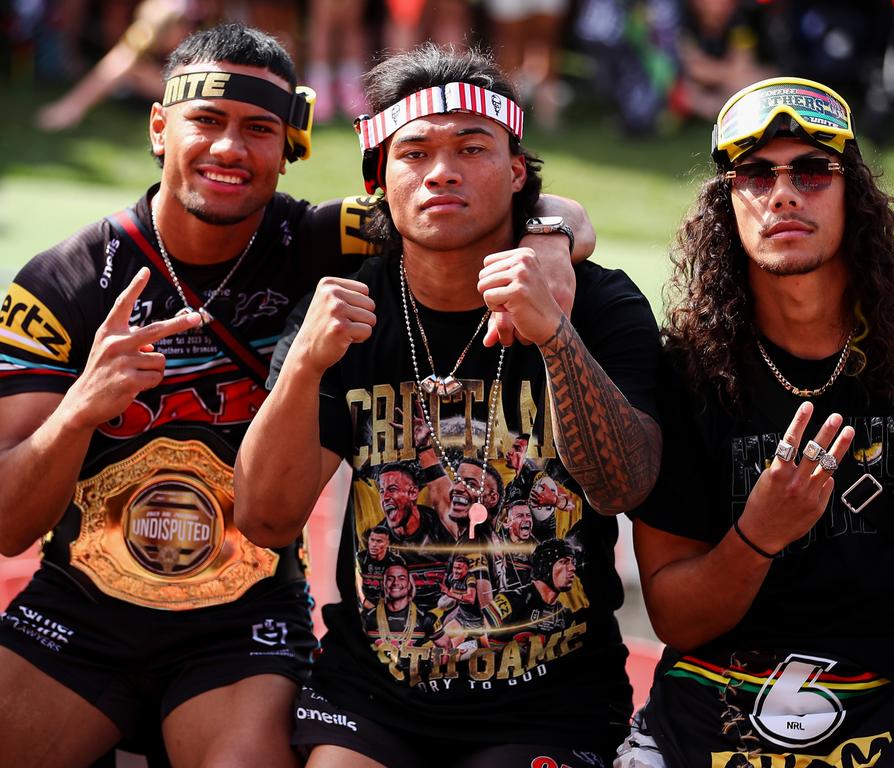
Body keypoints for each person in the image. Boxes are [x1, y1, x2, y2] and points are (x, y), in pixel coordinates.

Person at [0, 22, 596, 767]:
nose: (229, 149)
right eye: (207, 122)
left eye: (259, 129)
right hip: (79, 613)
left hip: (240, 626)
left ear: (291, 146)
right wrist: (81, 407)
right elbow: (5, 527)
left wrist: (547, 236)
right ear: (160, 127)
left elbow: (494, 197)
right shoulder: (64, 282)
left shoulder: (322, 241)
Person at [235, 43, 663, 767]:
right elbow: (264, 519)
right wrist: (304, 368)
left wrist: (556, 340)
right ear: (380, 178)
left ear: (518, 171)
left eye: (473, 147)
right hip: (370, 698)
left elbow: (627, 485)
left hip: (550, 706)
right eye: (414, 153)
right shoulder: (346, 310)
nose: (442, 171)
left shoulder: (599, 304)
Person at [618, 77, 894, 768]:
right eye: (754, 174)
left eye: (812, 171)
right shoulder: (686, 372)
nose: (783, 194)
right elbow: (675, 617)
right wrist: (758, 535)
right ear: (727, 206)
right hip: (707, 709)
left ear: (854, 197)